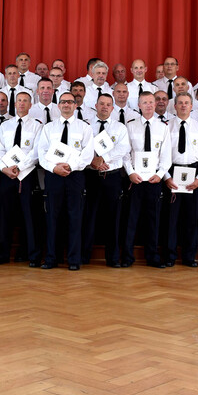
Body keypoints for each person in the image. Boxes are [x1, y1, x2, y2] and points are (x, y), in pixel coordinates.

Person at [37, 93, 94, 270]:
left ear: (75, 105)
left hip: (75, 176)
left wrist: (69, 166)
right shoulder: (49, 128)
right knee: (52, 217)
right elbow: (42, 152)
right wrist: (54, 168)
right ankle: (52, 258)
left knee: (75, 218)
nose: (66, 105)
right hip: (53, 175)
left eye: (70, 102)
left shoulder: (84, 128)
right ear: (58, 105)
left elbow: (87, 154)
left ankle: (74, 260)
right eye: (63, 102)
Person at [81, 93, 131, 267]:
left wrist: (102, 159)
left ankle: (113, 258)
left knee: (113, 218)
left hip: (112, 177)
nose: (104, 107)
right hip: (90, 176)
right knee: (88, 216)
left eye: (108, 104)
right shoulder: (85, 126)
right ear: (95, 105)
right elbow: (81, 147)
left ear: (112, 107)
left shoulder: (120, 128)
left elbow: (123, 149)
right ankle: (84, 256)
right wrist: (92, 161)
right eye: (101, 103)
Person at [123, 92, 173, 268]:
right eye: (145, 102)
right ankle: (128, 257)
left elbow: (166, 156)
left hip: (153, 180)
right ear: (139, 105)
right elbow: (126, 154)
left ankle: (152, 257)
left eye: (151, 102)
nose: (149, 105)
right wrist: (130, 172)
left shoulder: (163, 127)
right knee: (131, 219)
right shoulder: (130, 126)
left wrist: (159, 175)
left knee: (153, 220)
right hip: (135, 180)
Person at [0, 92, 44, 265]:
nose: (22, 103)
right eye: (19, 101)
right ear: (14, 105)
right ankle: (2, 256)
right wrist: (5, 168)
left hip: (27, 175)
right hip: (7, 174)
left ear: (31, 105)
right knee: (5, 216)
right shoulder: (5, 126)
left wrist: (20, 167)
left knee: (30, 217)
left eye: (25, 101)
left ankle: (33, 256)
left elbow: (36, 152)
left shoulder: (37, 126)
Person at [165, 93, 198, 267]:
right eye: (180, 103)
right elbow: (162, 154)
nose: (183, 106)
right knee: (171, 219)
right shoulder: (166, 127)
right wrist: (166, 177)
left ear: (192, 106)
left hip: (193, 174)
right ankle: (170, 256)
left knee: (191, 219)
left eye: (187, 103)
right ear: (174, 106)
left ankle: (190, 256)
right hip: (172, 173)